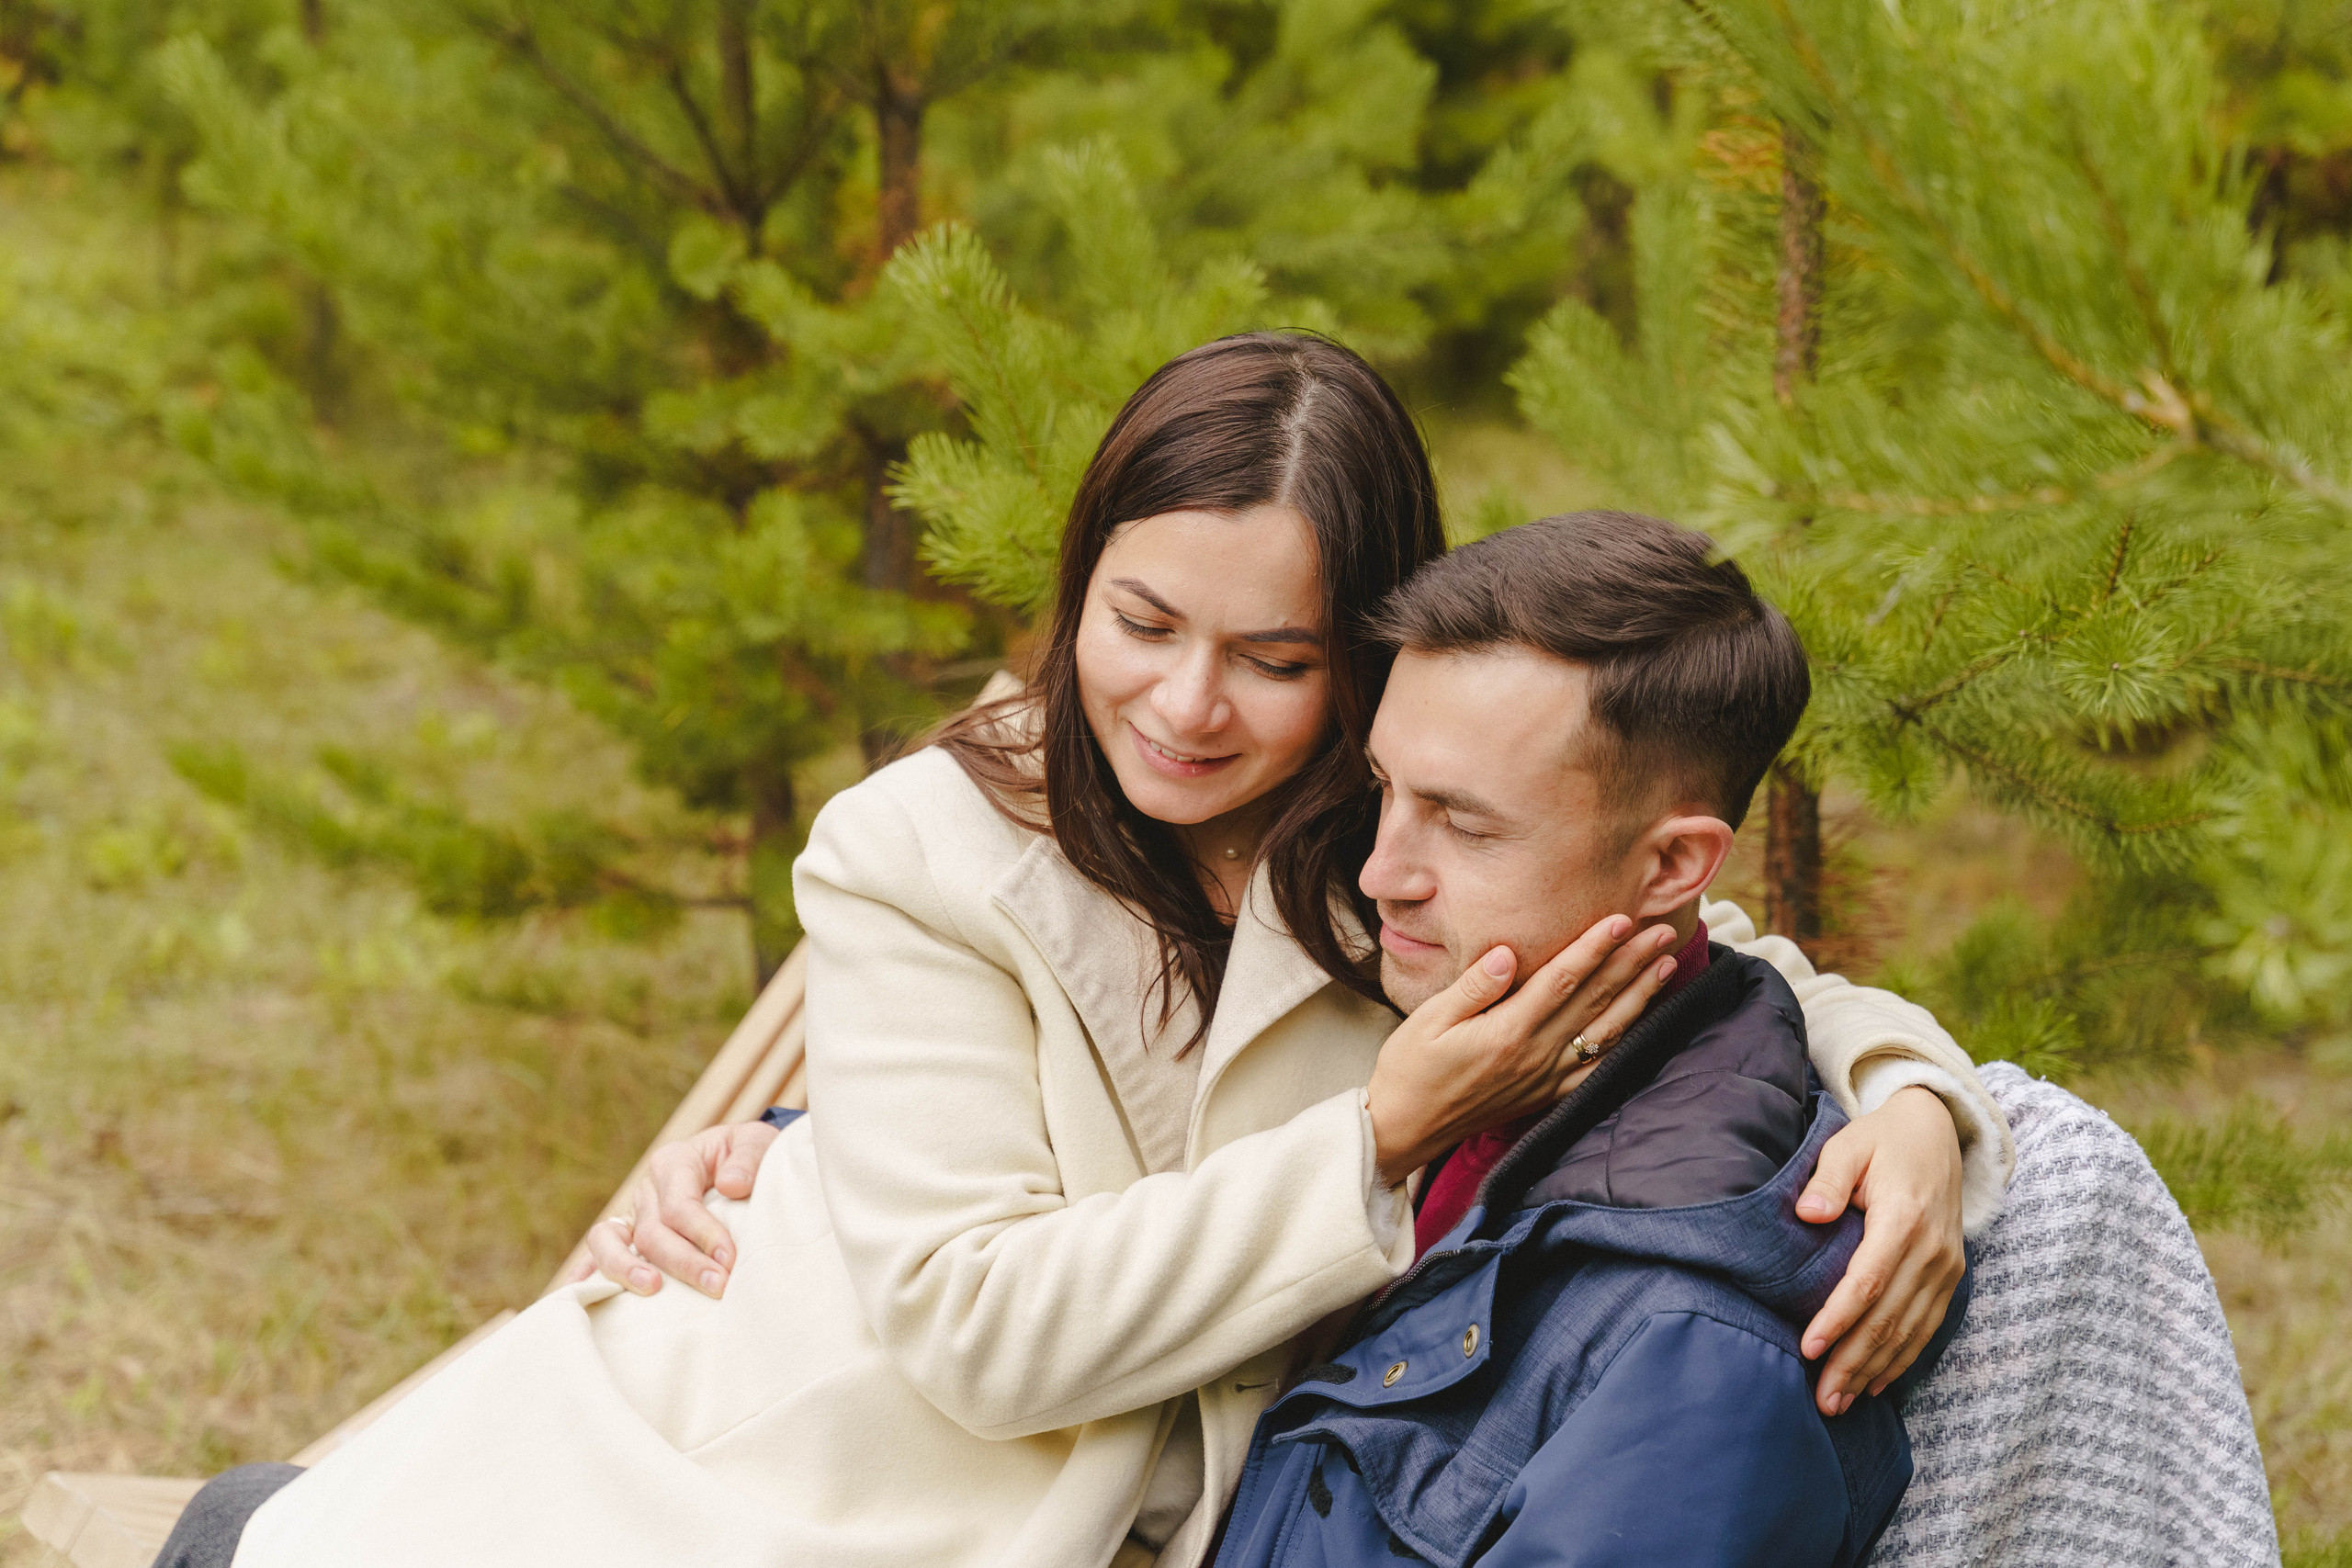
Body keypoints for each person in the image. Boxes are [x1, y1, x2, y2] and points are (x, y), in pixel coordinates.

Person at [160, 333, 2006, 1568]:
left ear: (1360, 665)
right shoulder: (922, 850)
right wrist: (1370, 1136)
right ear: (1076, 584)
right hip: (782, 1471)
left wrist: (1912, 1098)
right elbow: (970, 1330)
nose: (1185, 708)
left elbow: (1688, 932)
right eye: (1138, 620)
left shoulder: (1388, 851)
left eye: (1275, 661)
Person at [1213, 511, 1967, 1568]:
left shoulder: (1693, 1343)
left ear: (1671, 869)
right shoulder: (1459, 1056)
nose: (1381, 872)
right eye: (1384, 789)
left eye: (1465, 825)